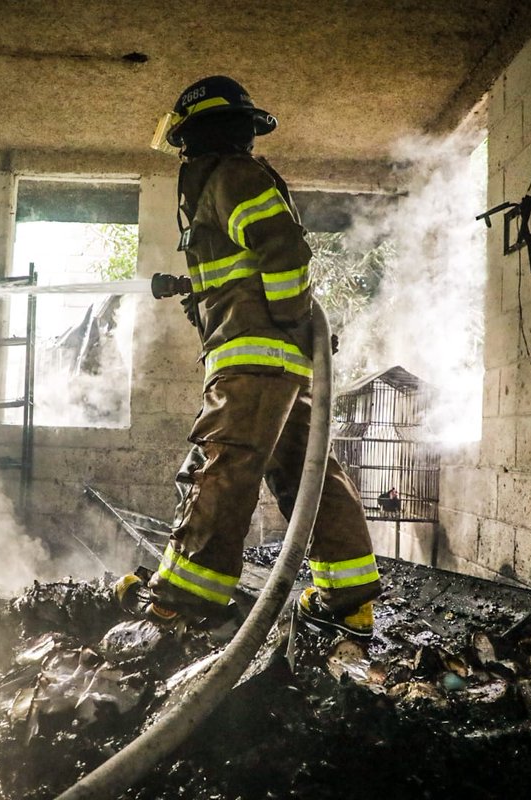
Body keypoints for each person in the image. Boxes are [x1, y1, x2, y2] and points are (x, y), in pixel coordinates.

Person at [118, 75, 381, 637]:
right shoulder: (227, 183)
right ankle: (348, 596)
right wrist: (198, 289)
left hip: (255, 360)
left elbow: (284, 253)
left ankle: (183, 599)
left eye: (185, 139)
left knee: (225, 464)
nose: (182, 151)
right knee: (307, 474)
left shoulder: (229, 176)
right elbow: (246, 267)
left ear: (200, 133)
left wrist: (287, 320)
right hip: (277, 362)